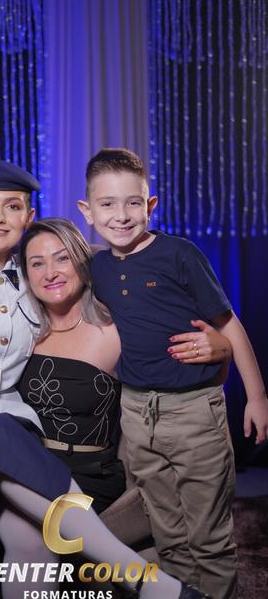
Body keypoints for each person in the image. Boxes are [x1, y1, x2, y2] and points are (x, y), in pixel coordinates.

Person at [0, 159, 210, 599]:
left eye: (12, 207)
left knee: (31, 542)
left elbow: (122, 284)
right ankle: (146, 583)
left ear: (27, 217)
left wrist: (218, 341)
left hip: (4, 449)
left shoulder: (32, 285)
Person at [77, 148, 268, 599]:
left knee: (208, 538)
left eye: (133, 202)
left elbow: (229, 326)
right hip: (136, 413)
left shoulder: (180, 254)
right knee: (168, 536)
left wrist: (257, 396)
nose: (121, 215)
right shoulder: (97, 267)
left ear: (151, 205)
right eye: (107, 204)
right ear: (87, 211)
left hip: (193, 411)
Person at [18, 217, 232, 515]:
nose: (50, 272)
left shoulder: (117, 329)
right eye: (37, 263)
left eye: (62, 258)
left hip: (88, 479)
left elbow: (199, 377)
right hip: (27, 468)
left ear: (82, 262)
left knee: (46, 533)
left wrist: (222, 349)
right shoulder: (19, 330)